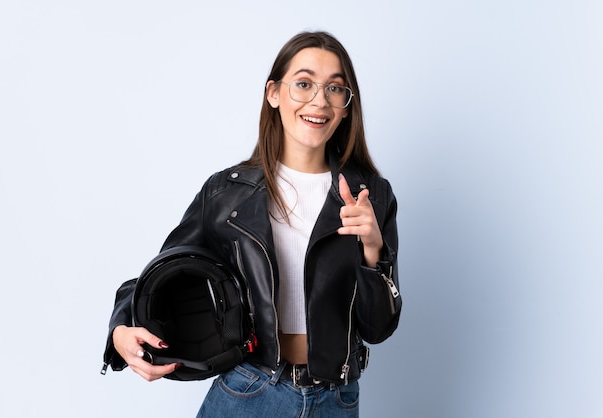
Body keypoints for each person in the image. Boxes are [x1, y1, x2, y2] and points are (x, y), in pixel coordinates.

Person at [102, 30, 402, 417]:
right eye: (304, 84)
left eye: (335, 88)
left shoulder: (372, 196)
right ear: (274, 93)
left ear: (346, 106)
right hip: (250, 392)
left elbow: (378, 328)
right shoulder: (227, 194)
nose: (319, 100)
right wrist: (121, 329)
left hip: (337, 400)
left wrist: (372, 251)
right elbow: (161, 274)